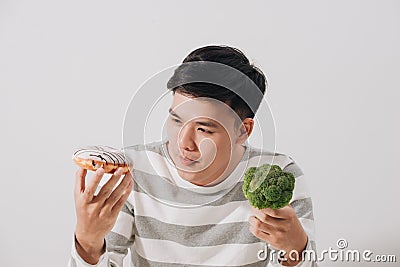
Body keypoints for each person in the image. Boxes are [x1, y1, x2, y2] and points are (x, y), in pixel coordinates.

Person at [69, 45, 317, 266]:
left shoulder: (277, 174)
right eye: (176, 120)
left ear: (243, 130)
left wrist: (295, 251)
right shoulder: (135, 172)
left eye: (203, 129)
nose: (183, 143)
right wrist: (88, 243)